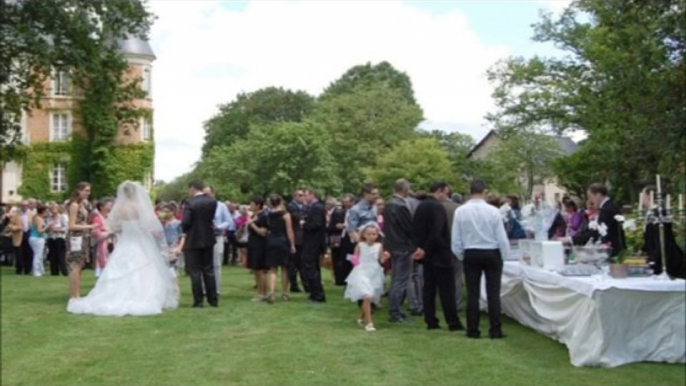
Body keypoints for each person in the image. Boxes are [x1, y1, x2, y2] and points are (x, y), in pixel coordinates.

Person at [67, 181, 178, 316]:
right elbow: (147, 224)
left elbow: (112, 226)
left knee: (120, 265)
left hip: (125, 240)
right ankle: (143, 295)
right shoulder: (139, 206)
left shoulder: (119, 208)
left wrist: (122, 228)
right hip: (138, 240)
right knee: (144, 266)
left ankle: (113, 295)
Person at [452, 179, 509, 339]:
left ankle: (472, 329)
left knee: (472, 293)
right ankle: (495, 329)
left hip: (471, 252)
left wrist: (461, 255)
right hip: (491, 252)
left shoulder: (461, 211)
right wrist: (504, 255)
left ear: (470, 191)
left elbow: (456, 238)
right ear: (484, 192)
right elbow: (501, 237)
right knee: (493, 293)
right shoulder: (493, 211)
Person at [412, 181, 464, 332]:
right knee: (447, 290)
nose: (446, 196)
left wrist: (420, 249)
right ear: (440, 191)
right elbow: (436, 232)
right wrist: (430, 249)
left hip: (426, 255)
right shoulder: (437, 208)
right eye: (446, 193)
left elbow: (416, 230)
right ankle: (453, 322)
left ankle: (431, 320)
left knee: (429, 288)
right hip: (440, 253)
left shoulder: (420, 206)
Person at [344, 223, 389, 332]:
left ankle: (362, 317)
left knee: (370, 297)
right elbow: (355, 259)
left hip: (374, 272)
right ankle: (369, 323)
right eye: (369, 234)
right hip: (361, 272)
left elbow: (380, 260)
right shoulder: (360, 245)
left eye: (374, 234)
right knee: (367, 296)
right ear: (364, 235)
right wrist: (355, 263)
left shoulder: (379, 246)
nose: (372, 236)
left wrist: (386, 257)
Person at [182, 180, 219, 308]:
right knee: (208, 270)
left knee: (195, 271)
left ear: (193, 188)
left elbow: (186, 222)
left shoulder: (190, 203)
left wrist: (185, 229)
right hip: (208, 237)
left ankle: (198, 301)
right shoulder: (212, 201)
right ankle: (213, 299)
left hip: (193, 239)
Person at [384, 179, 417, 323]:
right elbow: (409, 227)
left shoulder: (388, 204)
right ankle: (395, 311)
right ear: (405, 189)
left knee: (396, 278)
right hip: (402, 246)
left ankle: (395, 308)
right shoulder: (401, 206)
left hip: (392, 245)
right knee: (400, 280)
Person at [640, 185, 685, 278]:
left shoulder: (659, 214)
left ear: (649, 196)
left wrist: (655, 261)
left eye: (643, 195)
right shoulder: (650, 214)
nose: (642, 199)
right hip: (655, 255)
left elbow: (661, 239)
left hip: (666, 258)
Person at [571, 183, 626, 256]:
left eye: (590, 197)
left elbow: (597, 232)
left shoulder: (607, 209)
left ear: (598, 195)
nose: (590, 201)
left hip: (612, 251)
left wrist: (571, 240)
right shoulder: (608, 206)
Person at [66, 183, 97, 300]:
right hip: (75, 237)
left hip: (82, 237)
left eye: (89, 191)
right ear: (79, 190)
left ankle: (77, 293)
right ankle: (74, 295)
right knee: (75, 266)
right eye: (86, 190)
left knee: (80, 266)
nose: (88, 193)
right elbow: (72, 225)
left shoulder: (82, 205)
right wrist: (90, 226)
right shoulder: (74, 205)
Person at [265, 195, 296, 303]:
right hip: (283, 241)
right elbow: (289, 230)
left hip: (271, 240)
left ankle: (271, 293)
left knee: (272, 268)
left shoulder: (269, 214)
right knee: (284, 268)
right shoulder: (285, 214)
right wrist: (292, 244)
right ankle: (285, 293)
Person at [203, 186, 233, 295]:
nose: (206, 196)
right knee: (204, 263)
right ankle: (204, 288)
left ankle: (215, 289)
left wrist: (219, 226)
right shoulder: (201, 206)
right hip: (204, 236)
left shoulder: (221, 206)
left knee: (216, 263)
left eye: (208, 194)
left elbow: (228, 221)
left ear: (213, 193)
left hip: (217, 236)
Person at [301, 188, 327, 303]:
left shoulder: (317, 208)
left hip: (313, 242)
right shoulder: (312, 207)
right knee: (311, 268)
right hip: (311, 242)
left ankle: (318, 294)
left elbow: (316, 224)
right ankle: (314, 292)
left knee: (312, 268)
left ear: (312, 195)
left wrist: (304, 224)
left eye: (306, 195)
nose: (304, 198)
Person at [247, 197, 269, 301]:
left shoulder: (263, 217)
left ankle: (263, 293)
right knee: (256, 269)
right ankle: (259, 292)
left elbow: (263, 232)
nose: (250, 206)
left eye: (252, 204)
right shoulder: (253, 216)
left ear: (258, 205)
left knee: (261, 270)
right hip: (253, 244)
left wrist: (252, 224)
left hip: (260, 244)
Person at [287, 190, 308, 293]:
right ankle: (294, 285)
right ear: (294, 196)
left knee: (302, 263)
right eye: (300, 195)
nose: (303, 197)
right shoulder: (291, 206)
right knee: (294, 263)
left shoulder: (303, 206)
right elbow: (297, 217)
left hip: (302, 238)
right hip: (295, 238)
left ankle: (305, 284)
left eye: (304, 195)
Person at [91, 198, 114, 277]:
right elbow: (95, 233)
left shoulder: (110, 218)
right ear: (101, 207)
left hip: (112, 243)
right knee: (103, 262)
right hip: (102, 245)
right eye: (109, 205)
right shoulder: (97, 218)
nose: (111, 208)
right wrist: (109, 233)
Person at [327, 197, 347, 286]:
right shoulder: (343, 212)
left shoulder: (337, 213)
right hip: (343, 238)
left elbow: (333, 227)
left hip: (338, 239)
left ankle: (340, 278)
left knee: (338, 259)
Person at [46, 203, 68, 276]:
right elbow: (46, 228)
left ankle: (64, 271)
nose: (53, 211)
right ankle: (54, 272)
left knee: (61, 255)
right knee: (52, 255)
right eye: (52, 209)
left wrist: (59, 229)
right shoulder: (48, 218)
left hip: (60, 237)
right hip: (51, 238)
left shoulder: (62, 217)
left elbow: (66, 228)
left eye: (55, 209)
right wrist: (49, 228)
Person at [29, 204, 49, 277]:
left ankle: (41, 270)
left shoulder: (36, 217)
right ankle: (36, 271)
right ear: (43, 211)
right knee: (38, 255)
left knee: (39, 255)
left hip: (35, 238)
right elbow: (40, 231)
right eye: (46, 211)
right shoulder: (39, 219)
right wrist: (47, 227)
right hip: (37, 238)